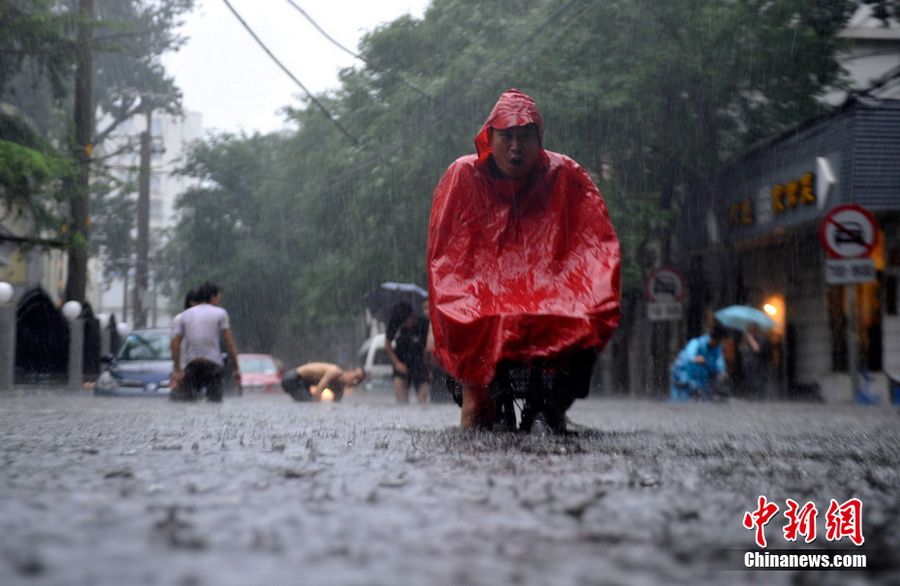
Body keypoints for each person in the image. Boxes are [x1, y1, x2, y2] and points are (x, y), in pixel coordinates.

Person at [427, 88, 622, 432]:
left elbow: (595, 248)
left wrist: (578, 294)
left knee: (592, 317)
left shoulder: (567, 176)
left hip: (553, 293)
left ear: (539, 139)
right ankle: (478, 406)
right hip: (477, 298)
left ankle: (552, 405)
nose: (516, 147)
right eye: (507, 136)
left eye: (526, 136)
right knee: (476, 411)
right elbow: (446, 258)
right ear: (490, 138)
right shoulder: (462, 176)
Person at [170, 281, 240, 402]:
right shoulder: (221, 313)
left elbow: (174, 344)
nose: (219, 301)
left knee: (188, 404)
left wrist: (177, 370)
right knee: (215, 404)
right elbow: (229, 342)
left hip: (192, 365)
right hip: (213, 365)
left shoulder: (184, 315)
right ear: (213, 297)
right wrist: (236, 368)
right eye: (218, 298)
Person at [385, 301, 431, 404]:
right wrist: (397, 363)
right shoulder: (395, 323)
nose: (405, 325)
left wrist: (428, 368)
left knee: (423, 401)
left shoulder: (424, 324)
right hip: (401, 363)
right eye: (403, 323)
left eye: (407, 322)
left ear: (412, 315)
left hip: (420, 365)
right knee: (401, 402)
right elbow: (387, 344)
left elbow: (428, 349)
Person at [670, 323, 728, 402]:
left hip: (699, 381)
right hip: (682, 375)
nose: (722, 345)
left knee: (702, 399)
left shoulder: (716, 349)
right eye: (720, 342)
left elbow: (719, 363)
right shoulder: (696, 343)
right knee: (680, 400)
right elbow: (689, 354)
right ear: (715, 340)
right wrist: (696, 358)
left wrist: (722, 372)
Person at [281, 362, 366, 402]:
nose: (355, 382)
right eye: (356, 377)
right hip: (292, 379)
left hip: (302, 384)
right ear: (350, 371)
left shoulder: (339, 388)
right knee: (308, 403)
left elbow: (337, 403)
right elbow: (319, 390)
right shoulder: (335, 371)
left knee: (304, 402)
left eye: (359, 381)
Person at [739, 323, 770, 399]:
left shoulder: (761, 338)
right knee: (750, 380)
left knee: (757, 381)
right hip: (748, 363)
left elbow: (757, 349)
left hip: (759, 364)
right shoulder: (747, 338)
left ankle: (759, 396)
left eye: (751, 328)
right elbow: (742, 348)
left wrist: (750, 338)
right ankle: (750, 395)